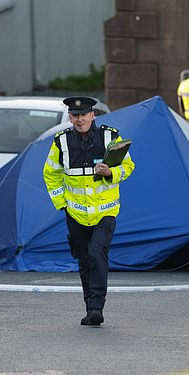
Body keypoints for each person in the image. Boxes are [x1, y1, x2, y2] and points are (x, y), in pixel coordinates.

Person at [43, 96, 135, 326]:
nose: (80, 119)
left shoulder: (110, 136)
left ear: (93, 115)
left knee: (97, 253)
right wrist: (62, 204)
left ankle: (97, 308)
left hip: (106, 211)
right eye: (75, 116)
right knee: (84, 260)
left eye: (84, 115)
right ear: (70, 118)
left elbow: (128, 166)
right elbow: (50, 174)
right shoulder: (61, 143)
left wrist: (110, 173)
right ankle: (89, 309)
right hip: (75, 213)